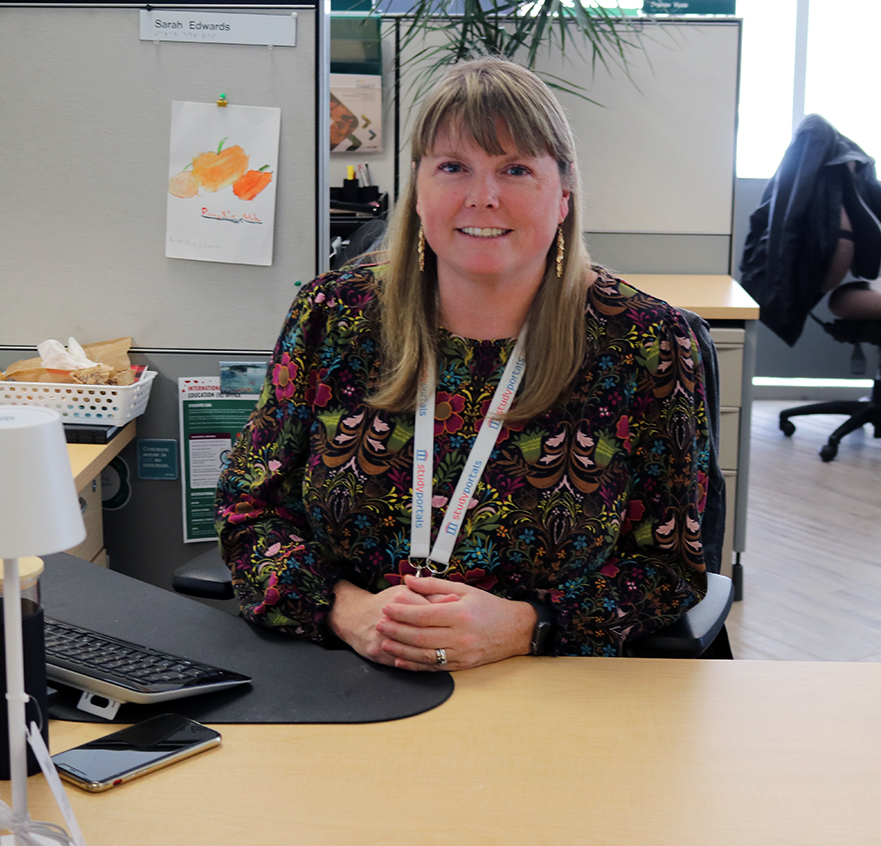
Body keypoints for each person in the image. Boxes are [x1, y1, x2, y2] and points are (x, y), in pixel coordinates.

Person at [216, 57, 709, 671]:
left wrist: (529, 625)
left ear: (563, 193)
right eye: (453, 167)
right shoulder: (333, 315)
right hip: (346, 672)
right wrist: (345, 610)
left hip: (547, 687)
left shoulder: (645, 342)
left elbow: (669, 567)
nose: (483, 197)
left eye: (516, 169)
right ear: (419, 188)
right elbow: (249, 509)